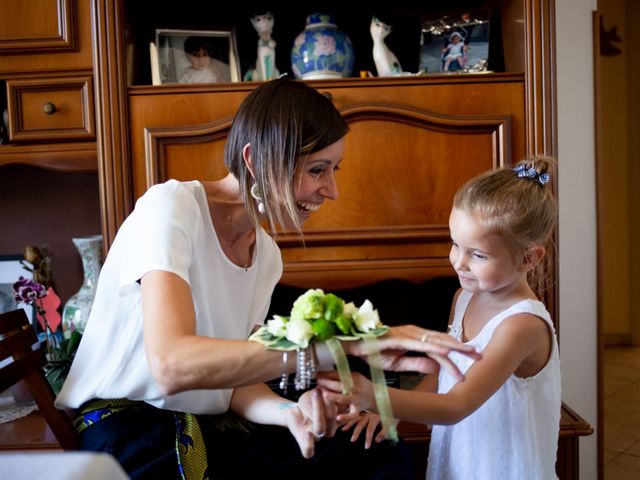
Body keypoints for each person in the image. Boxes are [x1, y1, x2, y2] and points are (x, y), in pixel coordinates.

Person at [55, 78, 480, 480]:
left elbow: (238, 382)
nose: (331, 190)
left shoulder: (267, 256)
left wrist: (289, 413)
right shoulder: (171, 209)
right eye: (317, 169)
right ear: (255, 159)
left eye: (334, 169)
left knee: (381, 455)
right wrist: (336, 347)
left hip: (209, 427)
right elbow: (171, 366)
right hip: (132, 433)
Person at [319, 158, 561, 479]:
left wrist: (373, 395)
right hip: (461, 457)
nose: (459, 262)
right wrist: (391, 411)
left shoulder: (521, 325)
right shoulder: (464, 298)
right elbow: (447, 376)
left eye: (478, 254)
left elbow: (456, 404)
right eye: (455, 244)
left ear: (529, 258)